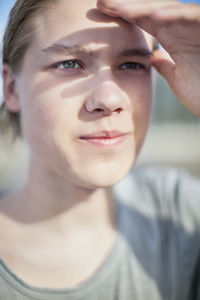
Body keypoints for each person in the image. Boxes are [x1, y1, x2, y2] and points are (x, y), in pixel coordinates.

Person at [0, 0, 200, 299]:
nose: (109, 98)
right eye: (69, 64)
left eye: (132, 65)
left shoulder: (180, 210)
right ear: (12, 88)